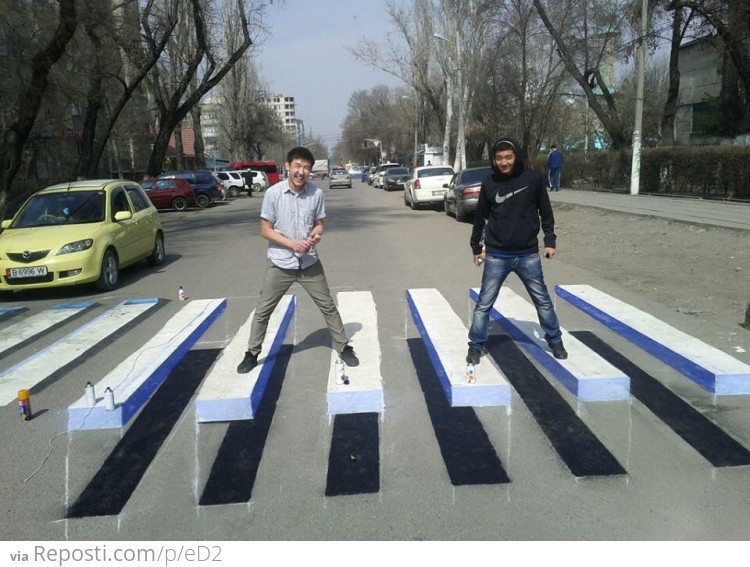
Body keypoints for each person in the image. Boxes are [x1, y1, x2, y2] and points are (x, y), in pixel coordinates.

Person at [237, 146, 359, 373]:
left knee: (328, 306)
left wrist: (317, 233)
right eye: (297, 166)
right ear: (287, 166)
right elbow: (265, 230)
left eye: (306, 167)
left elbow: (320, 223)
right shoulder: (273, 194)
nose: (301, 171)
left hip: (309, 263)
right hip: (280, 264)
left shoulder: (316, 194)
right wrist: (292, 244)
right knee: (263, 310)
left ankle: (343, 347)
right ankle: (251, 354)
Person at [466, 138, 568, 364]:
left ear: (516, 157)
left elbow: (546, 213)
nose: (504, 162)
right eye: (499, 158)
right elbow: (480, 217)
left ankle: (555, 341)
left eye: (508, 157)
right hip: (496, 255)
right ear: (494, 159)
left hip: (527, 254)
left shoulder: (533, 180)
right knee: (484, 304)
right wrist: (476, 247)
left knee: (542, 301)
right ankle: (475, 346)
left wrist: (549, 241)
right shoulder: (489, 183)